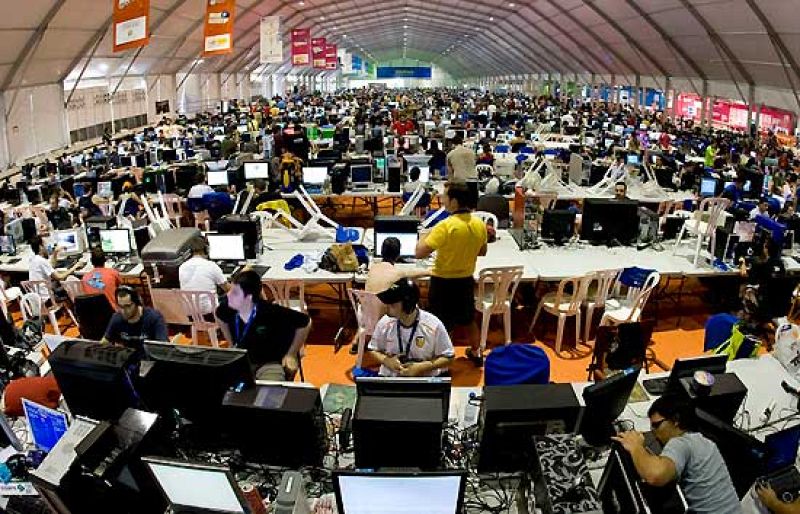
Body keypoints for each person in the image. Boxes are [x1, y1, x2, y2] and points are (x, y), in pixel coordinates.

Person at [612, 395, 740, 514]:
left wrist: (635, 446)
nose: (653, 432)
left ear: (676, 420)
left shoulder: (681, 443)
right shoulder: (705, 443)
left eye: (656, 425)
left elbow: (655, 476)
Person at [416, 182, 488, 365]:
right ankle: (476, 353)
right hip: (466, 281)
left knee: (441, 324)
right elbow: (482, 251)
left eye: (445, 196)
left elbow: (419, 252)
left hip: (443, 283)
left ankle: (443, 360)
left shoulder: (445, 226)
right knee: (469, 319)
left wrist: (425, 234)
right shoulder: (479, 224)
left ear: (454, 201)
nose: (442, 199)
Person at [216, 270, 311, 381]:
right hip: (242, 361)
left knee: (269, 390)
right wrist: (231, 344)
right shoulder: (228, 308)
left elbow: (306, 322)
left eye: (235, 293)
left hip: (269, 364)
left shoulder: (271, 311)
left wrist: (291, 354)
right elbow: (218, 315)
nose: (228, 295)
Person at [367, 278, 455, 377]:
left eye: (392, 304)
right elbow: (372, 349)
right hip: (391, 378)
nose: (387, 306)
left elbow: (449, 357)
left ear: (408, 304)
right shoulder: (384, 322)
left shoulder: (433, 325)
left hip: (424, 379)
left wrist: (422, 367)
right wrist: (387, 361)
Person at [102, 286, 168, 352]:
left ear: (137, 303)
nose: (124, 311)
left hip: (150, 356)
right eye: (120, 306)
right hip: (129, 356)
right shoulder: (116, 318)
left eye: (128, 306)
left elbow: (163, 347)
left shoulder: (154, 317)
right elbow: (104, 342)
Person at [178, 236, 229, 315]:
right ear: (207, 249)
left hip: (190, 313)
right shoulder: (211, 266)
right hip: (211, 313)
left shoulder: (182, 267)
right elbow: (228, 289)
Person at [28, 236, 85, 301]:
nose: (47, 247)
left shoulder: (33, 259)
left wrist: (55, 252)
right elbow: (59, 277)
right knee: (70, 283)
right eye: (45, 244)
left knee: (59, 284)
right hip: (47, 299)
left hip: (37, 298)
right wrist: (75, 266)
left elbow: (50, 266)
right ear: (40, 247)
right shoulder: (42, 261)